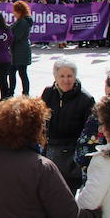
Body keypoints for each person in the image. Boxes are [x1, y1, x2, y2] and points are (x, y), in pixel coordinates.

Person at [41, 59, 94, 193]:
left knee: (68, 191)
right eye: (62, 76)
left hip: (72, 152)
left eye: (69, 76)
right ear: (55, 77)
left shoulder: (86, 99)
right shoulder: (48, 93)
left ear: (75, 76)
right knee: (49, 190)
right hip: (50, 148)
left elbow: (89, 129)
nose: (66, 80)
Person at [8, 1, 33, 96]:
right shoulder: (21, 21)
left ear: (19, 11)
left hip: (20, 50)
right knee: (12, 72)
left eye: (14, 11)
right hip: (17, 50)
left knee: (22, 73)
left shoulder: (23, 22)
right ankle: (11, 91)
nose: (13, 13)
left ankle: (25, 93)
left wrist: (8, 40)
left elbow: (17, 36)